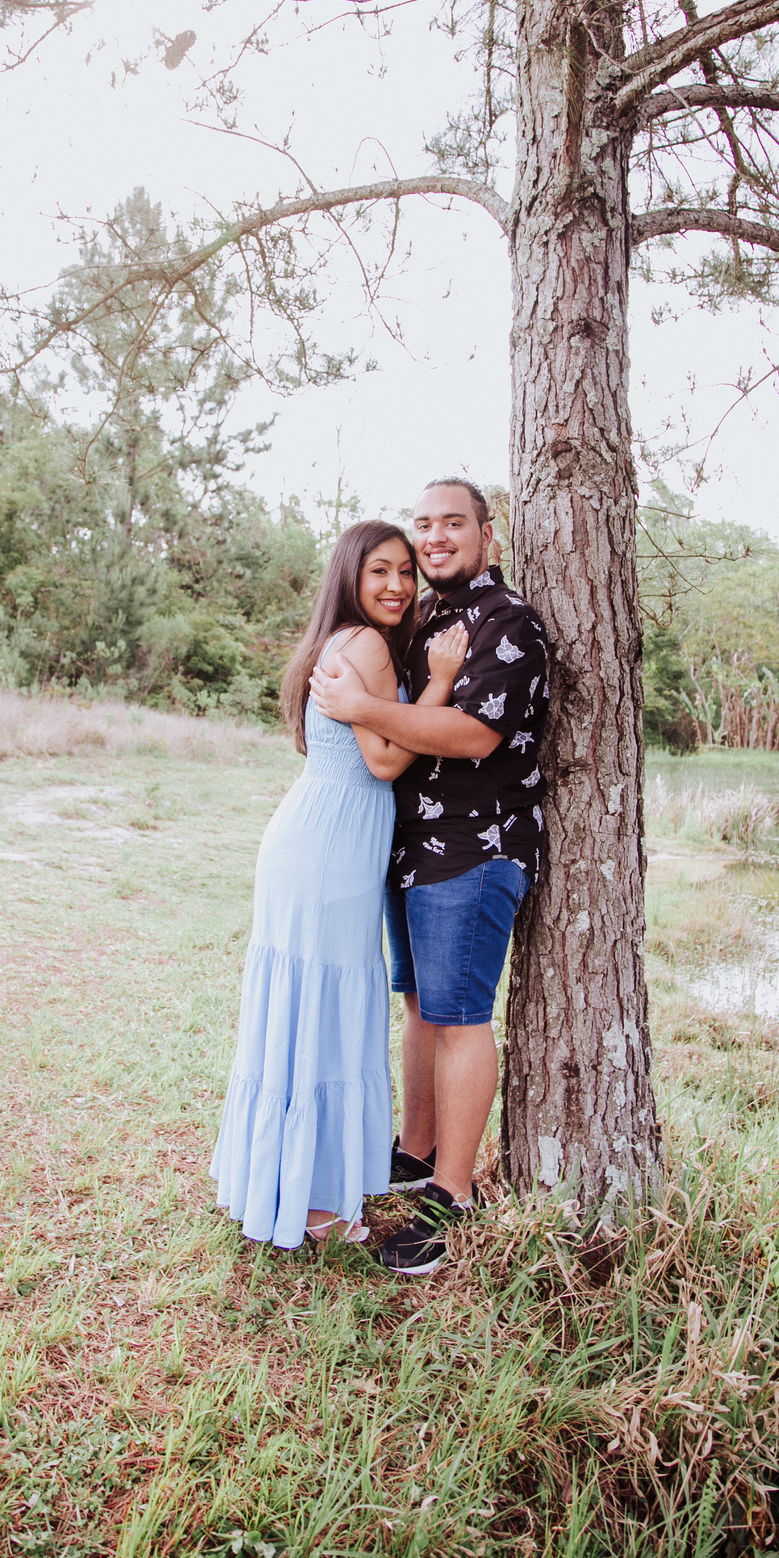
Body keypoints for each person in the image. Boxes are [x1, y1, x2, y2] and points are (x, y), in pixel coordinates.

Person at [309, 478, 549, 1276]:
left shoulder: (507, 622)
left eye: (454, 523)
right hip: (408, 847)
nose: (436, 537)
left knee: (459, 1018)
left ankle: (453, 1195)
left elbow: (472, 734)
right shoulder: (420, 619)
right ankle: (415, 1154)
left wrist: (358, 707)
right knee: (418, 1005)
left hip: (473, 850)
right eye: (425, 524)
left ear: (488, 534)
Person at [210, 520, 469, 1249]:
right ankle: (317, 1207)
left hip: (314, 836)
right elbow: (385, 761)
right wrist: (443, 681)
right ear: (350, 576)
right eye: (379, 570)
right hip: (330, 850)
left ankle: (281, 1188)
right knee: (322, 1012)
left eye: (406, 572)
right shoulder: (367, 645)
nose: (397, 585)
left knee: (299, 1011)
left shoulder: (338, 641)